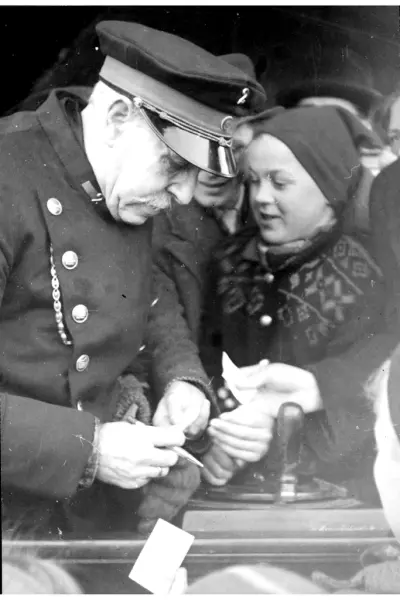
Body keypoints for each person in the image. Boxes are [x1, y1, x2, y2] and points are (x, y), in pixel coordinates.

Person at [0, 20, 266, 536]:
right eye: (174, 165)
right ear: (118, 117)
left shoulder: (123, 181)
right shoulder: (8, 175)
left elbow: (148, 296)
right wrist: (89, 447)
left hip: (90, 518)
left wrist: (180, 378)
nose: (185, 195)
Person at [199, 106, 390, 487]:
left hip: (333, 492)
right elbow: (205, 361)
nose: (260, 197)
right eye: (253, 181)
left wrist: (275, 441)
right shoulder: (227, 260)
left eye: (280, 183)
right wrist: (217, 440)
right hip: (231, 479)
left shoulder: (367, 276)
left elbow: (362, 405)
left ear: (329, 187)